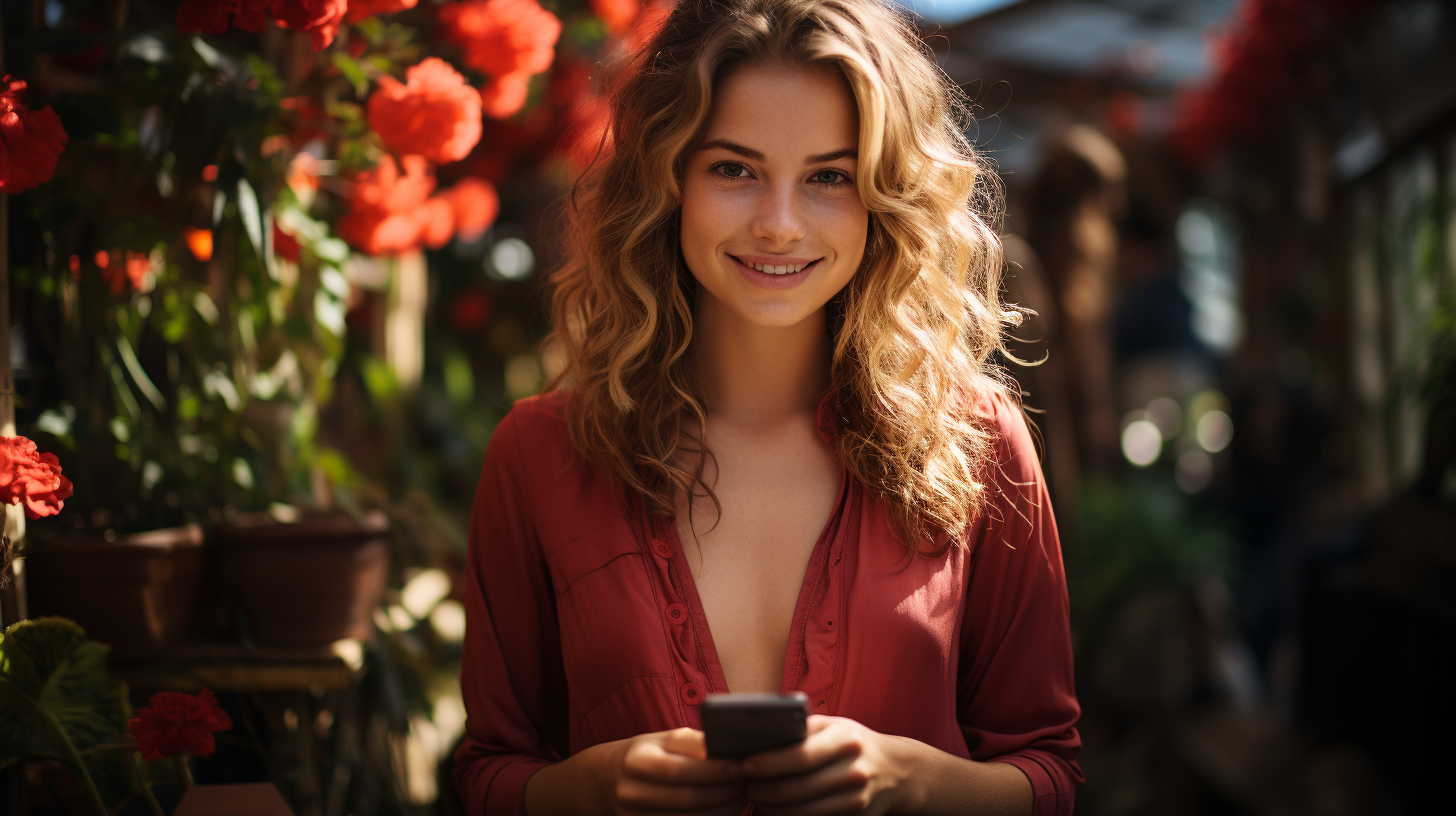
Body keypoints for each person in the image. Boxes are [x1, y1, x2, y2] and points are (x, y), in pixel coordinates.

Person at [452, 1, 1081, 814]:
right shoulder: (537, 455)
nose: (780, 225)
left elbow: (1051, 776)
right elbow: (485, 776)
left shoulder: (978, 441)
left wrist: (909, 781)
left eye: (829, 176)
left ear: (885, 194)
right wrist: (591, 786)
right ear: (667, 178)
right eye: (734, 169)